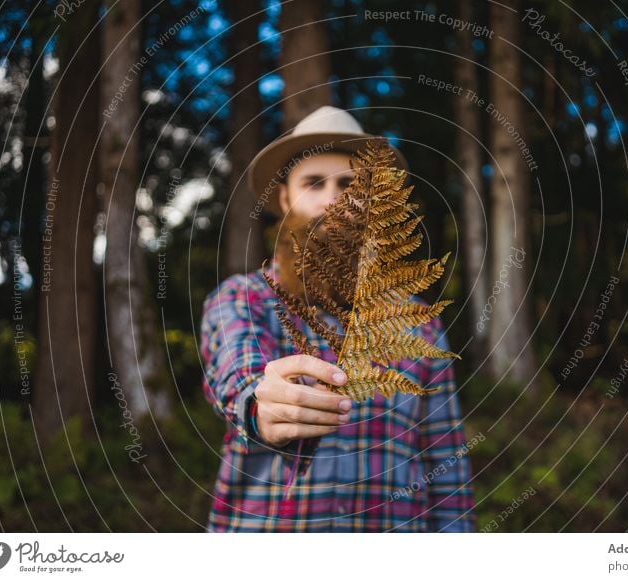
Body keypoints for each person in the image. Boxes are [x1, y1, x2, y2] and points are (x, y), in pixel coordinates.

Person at [200, 105, 475, 532]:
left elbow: (445, 461)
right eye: (314, 183)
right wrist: (261, 407)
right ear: (286, 198)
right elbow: (239, 373)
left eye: (349, 184)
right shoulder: (243, 299)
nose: (333, 199)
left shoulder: (418, 320)